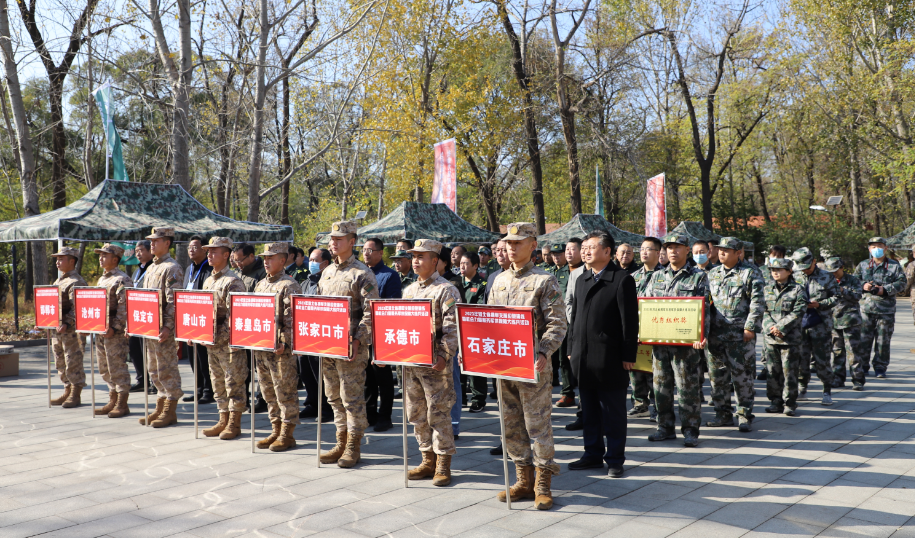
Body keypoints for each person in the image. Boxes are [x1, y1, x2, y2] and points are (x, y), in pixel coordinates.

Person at [487, 222, 567, 510]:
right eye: (508, 242)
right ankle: (523, 478)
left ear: (533, 245)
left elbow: (558, 323)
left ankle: (543, 483)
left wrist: (545, 351)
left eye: (518, 242)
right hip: (503, 364)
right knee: (511, 425)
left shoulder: (544, 281)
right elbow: (489, 321)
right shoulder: (498, 280)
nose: (511, 246)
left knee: (538, 426)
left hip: (533, 366)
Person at [567, 231, 638, 478]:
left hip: (610, 357)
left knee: (613, 412)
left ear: (607, 251)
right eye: (583, 247)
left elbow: (629, 322)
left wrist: (629, 355)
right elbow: (574, 318)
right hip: (583, 357)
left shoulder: (621, 280)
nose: (585, 251)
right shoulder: (581, 279)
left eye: (591, 247)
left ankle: (616, 459)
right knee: (589, 410)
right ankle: (592, 454)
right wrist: (570, 349)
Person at [318, 221, 380, 468]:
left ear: (352, 241)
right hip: (328, 345)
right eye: (332, 238)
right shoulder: (327, 272)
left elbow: (371, 312)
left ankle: (354, 445)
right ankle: (340, 441)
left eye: (339, 239)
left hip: (351, 348)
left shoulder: (362, 273)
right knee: (333, 396)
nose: (333, 242)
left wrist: (358, 339)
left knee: (352, 398)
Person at [403, 239, 461, 486]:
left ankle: (443, 464)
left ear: (435, 261)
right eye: (414, 256)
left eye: (422, 256)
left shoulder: (446, 290)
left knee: (438, 414)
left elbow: (453, 328)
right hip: (411, 366)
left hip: (436, 367)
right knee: (416, 414)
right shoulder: (409, 290)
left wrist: (443, 355)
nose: (415, 260)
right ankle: (427, 459)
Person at [644, 233, 710, 448]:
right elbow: (646, 306)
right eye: (669, 247)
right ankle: (664, 427)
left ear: (687, 250)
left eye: (677, 247)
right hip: (660, 342)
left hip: (686, 345)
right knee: (660, 387)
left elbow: (706, 309)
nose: (672, 251)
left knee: (687, 389)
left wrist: (702, 335)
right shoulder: (657, 276)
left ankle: (691, 431)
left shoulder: (698, 276)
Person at [705, 237, 765, 432]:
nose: (721, 253)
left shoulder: (750, 273)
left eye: (727, 250)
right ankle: (722, 414)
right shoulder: (712, 274)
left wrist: (750, 327)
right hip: (716, 335)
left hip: (740, 336)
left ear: (738, 253)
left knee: (742, 377)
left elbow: (757, 303)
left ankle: (744, 415)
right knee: (718, 378)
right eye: (720, 249)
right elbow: (705, 302)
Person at [250, 243, 303, 451]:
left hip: (281, 350)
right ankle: (275, 428)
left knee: (285, 391)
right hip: (262, 347)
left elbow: (293, 318)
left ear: (283, 260)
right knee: (268, 391)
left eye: (271, 257)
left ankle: (287, 434)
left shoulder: (289, 285)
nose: (266, 261)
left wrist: (284, 341)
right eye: (264, 257)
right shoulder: (261, 284)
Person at [198, 237, 248, 440]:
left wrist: (220, 336)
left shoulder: (233, 281)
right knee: (217, 382)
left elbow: (236, 316)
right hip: (211, 343)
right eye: (208, 252)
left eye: (214, 252)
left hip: (228, 345)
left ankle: (235, 423)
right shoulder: (209, 280)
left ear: (226, 255)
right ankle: (223, 419)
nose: (209, 255)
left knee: (233, 383)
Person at [139, 227, 185, 428]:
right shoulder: (151, 267)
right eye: (151, 240)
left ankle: (170, 410)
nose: (152, 243)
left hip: (164, 330)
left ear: (167, 243)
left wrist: (167, 326)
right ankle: (160, 405)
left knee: (167, 368)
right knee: (154, 368)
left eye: (156, 240)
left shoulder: (172, 268)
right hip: (150, 327)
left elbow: (174, 302)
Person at [363, 237, 401, 432]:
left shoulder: (390, 275)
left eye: (370, 250)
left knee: (383, 377)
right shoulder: (360, 273)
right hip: (363, 335)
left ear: (380, 253)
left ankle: (385, 416)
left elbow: (392, 306)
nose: (366, 253)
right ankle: (370, 414)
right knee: (367, 378)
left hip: (380, 334)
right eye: (364, 249)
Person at [791, 247, 837, 405]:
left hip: (820, 325)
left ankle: (827, 390)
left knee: (822, 360)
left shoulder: (826, 277)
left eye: (807, 267)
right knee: (800, 360)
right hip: (800, 325)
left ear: (814, 262)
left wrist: (820, 304)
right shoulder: (795, 276)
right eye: (802, 267)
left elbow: (836, 297)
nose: (805, 270)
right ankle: (802, 387)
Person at [855, 237, 907, 378]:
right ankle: (863, 366)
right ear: (869, 249)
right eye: (873, 246)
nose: (876, 248)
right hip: (866, 309)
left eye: (879, 245)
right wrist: (863, 285)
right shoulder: (863, 265)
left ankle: (880, 367)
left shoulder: (894, 265)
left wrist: (885, 289)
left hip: (886, 310)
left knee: (883, 340)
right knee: (864, 340)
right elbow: (853, 281)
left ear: (885, 248)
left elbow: (902, 283)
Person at [93, 243, 133, 418]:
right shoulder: (102, 279)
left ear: (115, 259)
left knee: (117, 367)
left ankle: (122, 404)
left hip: (114, 333)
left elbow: (125, 307)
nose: (101, 258)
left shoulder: (122, 279)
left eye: (105, 255)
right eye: (100, 255)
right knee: (104, 367)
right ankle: (112, 399)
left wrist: (115, 327)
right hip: (101, 331)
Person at [762, 258, 807, 416]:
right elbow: (762, 310)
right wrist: (771, 328)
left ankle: (790, 403)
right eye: (773, 269)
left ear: (789, 271)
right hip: (771, 339)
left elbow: (799, 311)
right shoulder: (766, 289)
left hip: (789, 339)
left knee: (790, 372)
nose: (775, 272)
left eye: (779, 269)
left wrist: (781, 327)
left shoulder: (797, 290)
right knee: (772, 371)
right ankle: (775, 401)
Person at [629, 237, 663, 422]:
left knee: (656, 372)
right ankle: (640, 404)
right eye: (641, 249)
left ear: (658, 253)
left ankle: (658, 407)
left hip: (657, 331)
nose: (644, 252)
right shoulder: (634, 277)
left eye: (648, 249)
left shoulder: (666, 276)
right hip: (637, 331)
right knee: (636, 370)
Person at [49, 246, 88, 408]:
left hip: (71, 332)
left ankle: (75, 393)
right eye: (57, 259)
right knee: (60, 361)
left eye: (61, 259)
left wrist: (67, 322)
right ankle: (67, 389)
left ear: (72, 261)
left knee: (73, 361)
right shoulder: (59, 280)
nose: (57, 262)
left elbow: (78, 307)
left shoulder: (76, 281)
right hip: (57, 331)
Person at [232, 242, 268, 411]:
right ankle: (243, 397)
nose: (238, 263)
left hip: (257, 325)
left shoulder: (262, 274)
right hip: (241, 326)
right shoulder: (238, 273)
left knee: (260, 366)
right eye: (236, 260)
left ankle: (262, 398)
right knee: (242, 364)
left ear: (252, 256)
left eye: (241, 260)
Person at [299, 248, 333, 420]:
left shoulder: (329, 282)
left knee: (321, 373)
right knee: (306, 370)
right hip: (305, 334)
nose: (310, 263)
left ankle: (327, 408)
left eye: (314, 260)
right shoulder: (306, 283)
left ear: (325, 263)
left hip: (322, 336)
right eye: (310, 260)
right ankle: (313, 403)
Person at [824, 257, 866, 390]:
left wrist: (842, 290)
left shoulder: (852, 280)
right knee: (837, 352)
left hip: (850, 321)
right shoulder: (827, 281)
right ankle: (837, 378)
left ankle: (857, 379)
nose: (833, 274)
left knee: (853, 352)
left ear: (842, 268)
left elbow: (857, 296)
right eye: (830, 272)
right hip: (833, 321)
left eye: (835, 271)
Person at [182, 236, 215, 405]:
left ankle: (209, 390)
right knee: (193, 356)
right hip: (189, 319)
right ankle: (199, 389)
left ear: (204, 249)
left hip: (203, 318)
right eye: (189, 247)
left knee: (204, 357)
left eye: (195, 247)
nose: (191, 250)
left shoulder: (209, 269)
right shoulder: (189, 269)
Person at [458, 251, 488, 413]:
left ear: (475, 266)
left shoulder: (482, 285)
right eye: (461, 263)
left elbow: (480, 309)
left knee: (476, 366)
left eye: (466, 264)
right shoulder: (456, 283)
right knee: (459, 364)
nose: (462, 267)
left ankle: (478, 399)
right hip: (457, 330)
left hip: (474, 331)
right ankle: (461, 396)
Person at [757, 244, 787, 381]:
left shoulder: (786, 270)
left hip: (782, 311)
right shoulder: (761, 271)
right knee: (766, 339)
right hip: (766, 309)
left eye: (779, 256)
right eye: (773, 255)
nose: (775, 259)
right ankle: (765, 366)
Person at [550, 242, 575, 404]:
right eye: (554, 254)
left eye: (559, 254)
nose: (556, 257)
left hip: (566, 322)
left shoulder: (571, 273)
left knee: (565, 359)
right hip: (551, 321)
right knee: (552, 358)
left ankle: (568, 393)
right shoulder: (548, 272)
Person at [129, 240, 154, 393]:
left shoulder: (153, 269)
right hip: (136, 315)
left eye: (141, 250)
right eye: (136, 251)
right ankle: (141, 379)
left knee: (148, 350)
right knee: (134, 348)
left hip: (148, 314)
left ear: (150, 252)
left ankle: (153, 382)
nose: (138, 253)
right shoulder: (137, 271)